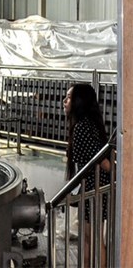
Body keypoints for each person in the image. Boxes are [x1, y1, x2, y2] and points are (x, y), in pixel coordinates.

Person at [64, 83, 112, 268]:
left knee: (94, 238)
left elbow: (104, 163)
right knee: (87, 237)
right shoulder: (87, 125)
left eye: (69, 98)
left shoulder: (82, 127)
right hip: (90, 190)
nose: (64, 101)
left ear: (79, 102)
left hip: (95, 190)